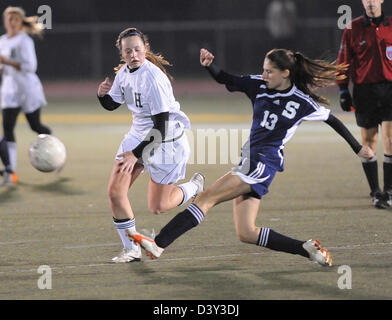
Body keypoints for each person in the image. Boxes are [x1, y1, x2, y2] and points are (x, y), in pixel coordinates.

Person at [126, 47, 375, 266]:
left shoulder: (302, 101)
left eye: (269, 71)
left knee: (206, 198)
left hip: (262, 164)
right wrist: (210, 66)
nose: (264, 74)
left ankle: (158, 244)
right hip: (251, 163)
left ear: (285, 73)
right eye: (263, 70)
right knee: (247, 232)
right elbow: (227, 79)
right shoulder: (258, 85)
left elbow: (333, 120)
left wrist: (357, 147)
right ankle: (305, 248)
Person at [97, 27, 204, 263]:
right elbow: (113, 104)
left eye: (137, 49)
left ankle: (193, 188)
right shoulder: (124, 73)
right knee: (115, 193)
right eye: (128, 51)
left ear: (145, 48)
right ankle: (131, 249)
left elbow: (161, 126)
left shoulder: (153, 78)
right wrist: (102, 96)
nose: (133, 54)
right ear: (122, 54)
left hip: (166, 143)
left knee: (159, 206)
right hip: (138, 137)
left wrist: (136, 155)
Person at [337, 0, 392, 209]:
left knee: (390, 140)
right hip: (365, 91)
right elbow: (343, 61)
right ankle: (376, 192)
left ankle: (389, 190)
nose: (370, 2)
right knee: (369, 143)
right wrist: (343, 89)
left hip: (390, 90)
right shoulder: (353, 28)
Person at [0, 7, 52, 184]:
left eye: (15, 19)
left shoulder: (25, 41)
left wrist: (7, 62)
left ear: (20, 22)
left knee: (35, 125)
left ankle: (55, 151)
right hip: (9, 91)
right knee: (7, 129)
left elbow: (31, 67)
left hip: (27, 90)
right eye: (9, 19)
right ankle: (10, 170)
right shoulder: (2, 41)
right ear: (5, 21)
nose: (12, 22)